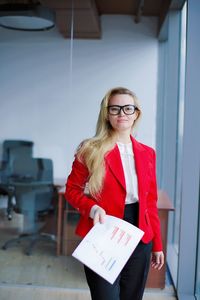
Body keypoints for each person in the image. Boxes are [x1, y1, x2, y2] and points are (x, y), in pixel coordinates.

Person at [65, 87, 164, 300]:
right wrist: (91, 208)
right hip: (104, 230)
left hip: (140, 233)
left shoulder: (148, 153)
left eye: (128, 108)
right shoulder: (90, 149)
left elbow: (150, 202)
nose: (122, 114)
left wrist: (157, 245)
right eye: (115, 109)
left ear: (136, 113)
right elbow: (72, 190)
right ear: (106, 114)